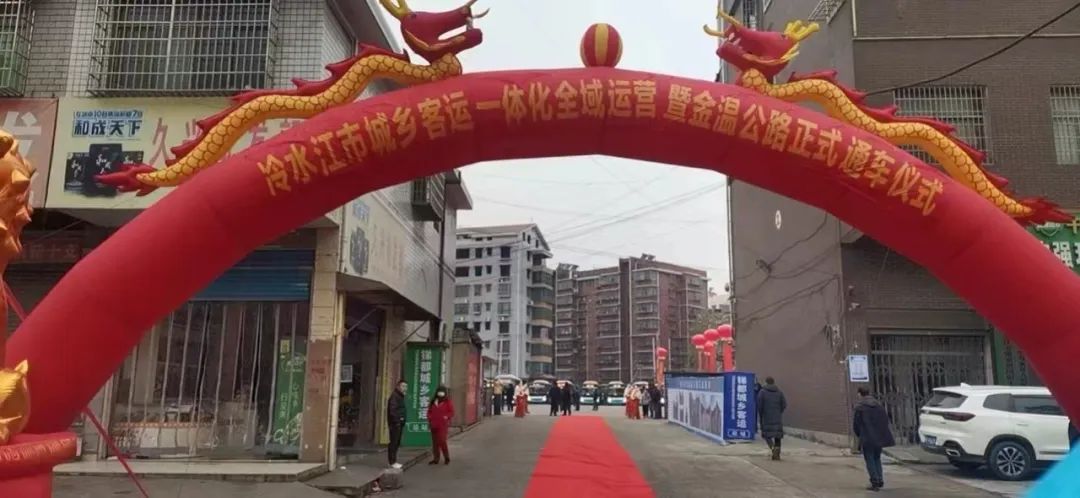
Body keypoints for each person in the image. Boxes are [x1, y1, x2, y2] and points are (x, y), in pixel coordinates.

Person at [853, 387, 895, 491]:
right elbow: (886, 421)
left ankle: (874, 481)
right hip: (879, 437)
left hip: (867, 437)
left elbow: (856, 425)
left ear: (860, 394)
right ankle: (880, 479)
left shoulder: (860, 408)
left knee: (870, 459)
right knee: (877, 458)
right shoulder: (879, 406)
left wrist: (860, 434)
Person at [757, 377, 787, 460]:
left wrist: (761, 414)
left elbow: (759, 405)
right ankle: (777, 452)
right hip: (777, 417)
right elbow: (784, 404)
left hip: (766, 417)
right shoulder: (779, 392)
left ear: (766, 382)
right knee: (778, 435)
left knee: (767, 435)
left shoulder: (762, 392)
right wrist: (779, 412)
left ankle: (773, 448)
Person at [427, 386, 454, 465]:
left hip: (442, 425)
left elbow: (451, 412)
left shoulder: (447, 402)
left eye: (442, 391)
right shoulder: (433, 401)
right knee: (435, 443)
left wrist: (446, 416)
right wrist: (430, 418)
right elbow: (429, 411)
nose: (440, 393)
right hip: (433, 424)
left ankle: (446, 457)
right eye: (439, 391)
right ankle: (436, 458)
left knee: (442, 441)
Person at [386, 380, 407, 468]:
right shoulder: (395, 396)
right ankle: (392, 462)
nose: (404, 388)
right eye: (403, 386)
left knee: (396, 442)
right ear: (398, 386)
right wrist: (398, 420)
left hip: (398, 423)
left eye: (405, 386)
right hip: (395, 424)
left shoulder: (400, 396)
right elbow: (393, 411)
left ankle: (393, 461)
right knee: (394, 442)